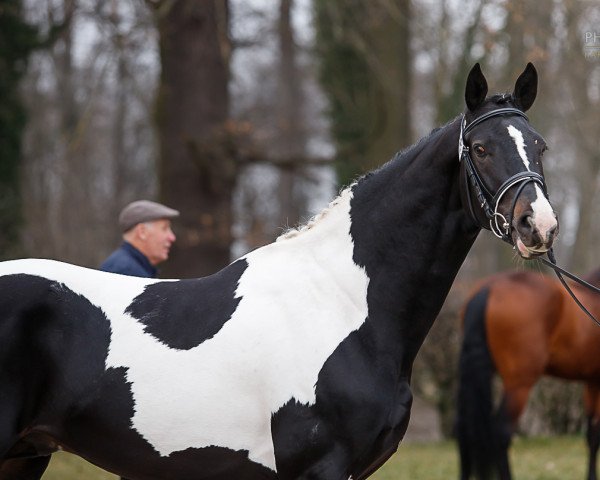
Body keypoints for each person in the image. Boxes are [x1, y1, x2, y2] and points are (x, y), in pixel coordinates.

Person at [100, 200, 179, 278]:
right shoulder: (126, 273)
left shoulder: (127, 268)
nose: (172, 237)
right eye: (164, 228)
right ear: (142, 232)